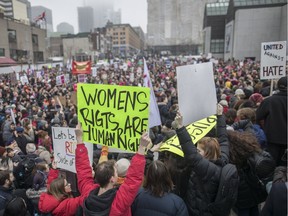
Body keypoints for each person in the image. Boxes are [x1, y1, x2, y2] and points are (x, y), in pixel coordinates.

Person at [76, 127, 151, 215]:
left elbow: (83, 170)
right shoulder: (118, 203)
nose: (117, 173)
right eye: (116, 172)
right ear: (112, 179)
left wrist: (79, 139)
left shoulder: (87, 193)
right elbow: (133, 180)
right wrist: (141, 147)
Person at [172, 104, 230, 216]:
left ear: (207, 153)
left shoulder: (207, 169)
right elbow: (223, 140)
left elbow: (191, 154)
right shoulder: (223, 159)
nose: (196, 152)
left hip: (200, 210)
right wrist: (220, 116)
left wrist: (180, 128)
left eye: (199, 151)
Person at [228, 130, 268, 216]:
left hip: (241, 197)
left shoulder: (230, 157)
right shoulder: (247, 150)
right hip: (254, 191)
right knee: (255, 212)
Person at [256, 76, 287, 166]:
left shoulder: (269, 101)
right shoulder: (269, 100)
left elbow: (258, 116)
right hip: (276, 139)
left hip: (272, 138)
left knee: (271, 166)